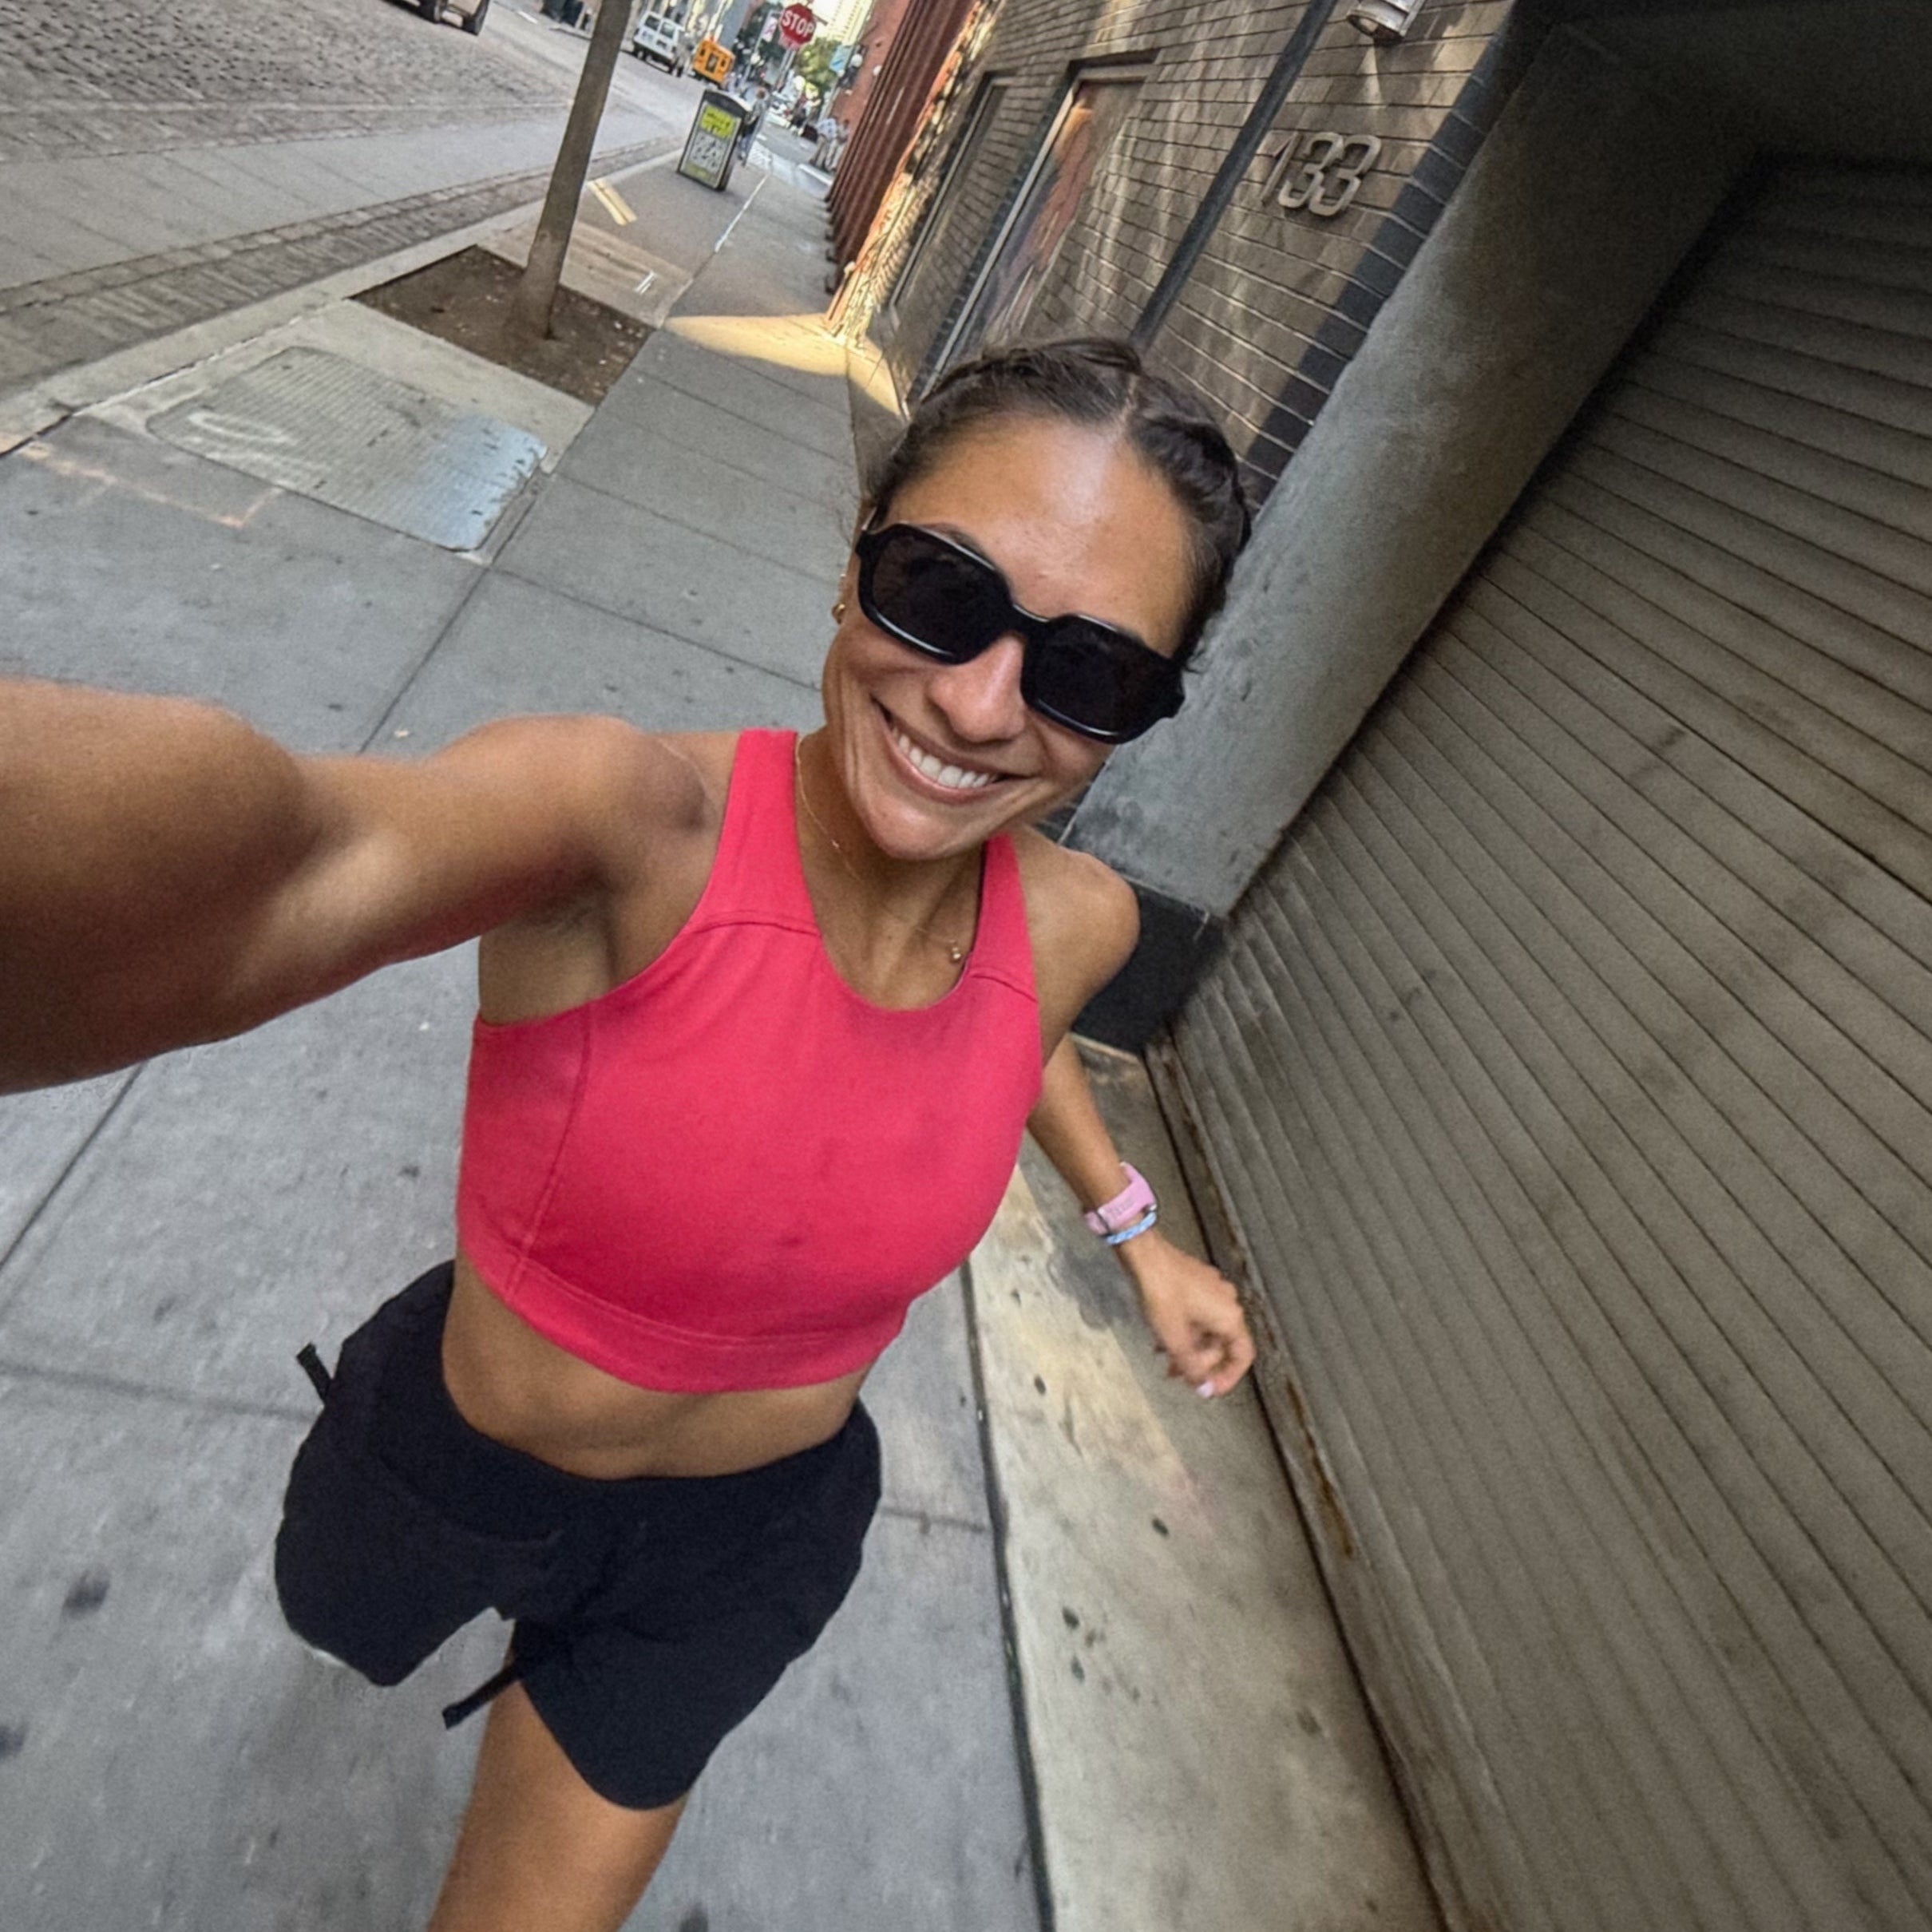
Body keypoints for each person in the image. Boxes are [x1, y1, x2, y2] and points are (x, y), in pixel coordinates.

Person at [0, 336, 1257, 1932]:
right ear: (854, 553)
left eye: (1088, 674)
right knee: (334, 1613)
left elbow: (1011, 1046)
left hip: (743, 1545)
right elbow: (274, 865)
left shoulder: (1078, 920)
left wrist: (1137, 1236)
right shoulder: (617, 822)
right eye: (940, 593)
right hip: (454, 1459)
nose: (980, 700)